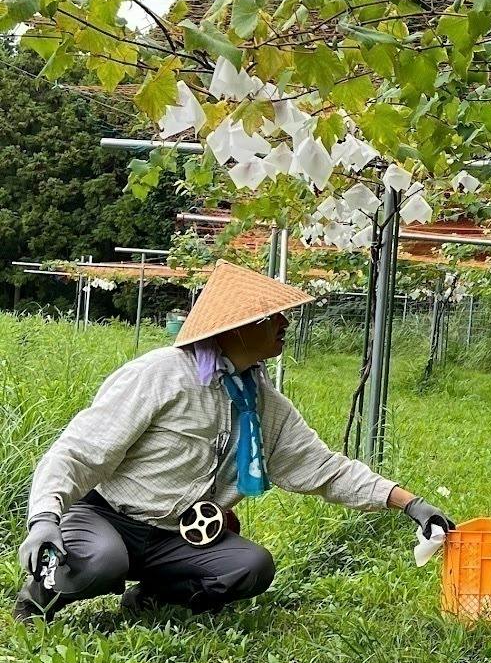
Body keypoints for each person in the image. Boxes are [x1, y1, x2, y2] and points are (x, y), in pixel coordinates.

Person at [14, 262, 453, 621]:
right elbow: (79, 452)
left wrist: (410, 504)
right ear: (236, 328)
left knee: (250, 567)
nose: (284, 324)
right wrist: (45, 519)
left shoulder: (260, 400)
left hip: (177, 535)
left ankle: (152, 597)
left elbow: (323, 467)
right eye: (271, 318)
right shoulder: (160, 376)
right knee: (102, 560)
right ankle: (38, 598)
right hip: (109, 515)